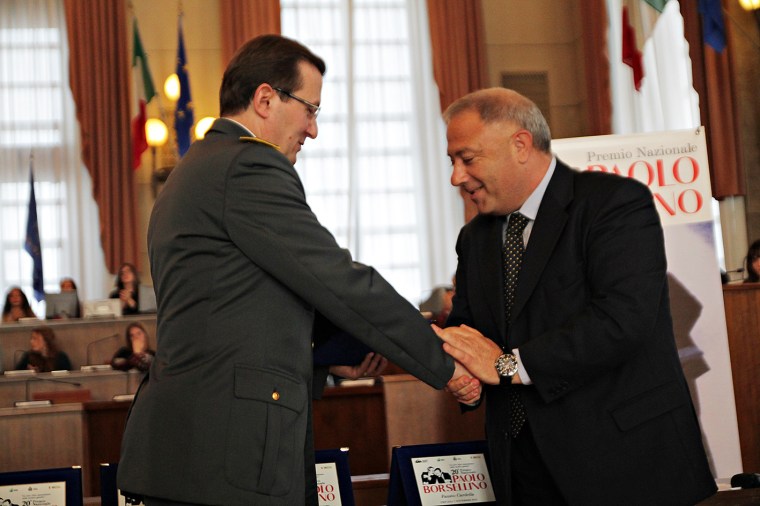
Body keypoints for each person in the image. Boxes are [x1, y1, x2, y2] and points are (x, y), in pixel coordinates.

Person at [117, 34, 464, 506]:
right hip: (225, 456)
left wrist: (325, 354)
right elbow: (337, 280)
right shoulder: (247, 165)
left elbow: (236, 307)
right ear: (265, 99)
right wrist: (446, 361)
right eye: (310, 109)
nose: (313, 130)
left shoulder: (200, 166)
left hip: (195, 449)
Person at [436, 88, 716, 505]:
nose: (457, 177)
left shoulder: (614, 204)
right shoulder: (474, 238)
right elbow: (470, 332)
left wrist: (506, 366)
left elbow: (623, 320)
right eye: (452, 162)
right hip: (522, 469)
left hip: (624, 464)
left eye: (468, 159)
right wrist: (464, 373)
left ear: (520, 145)